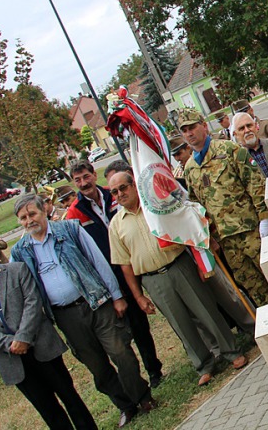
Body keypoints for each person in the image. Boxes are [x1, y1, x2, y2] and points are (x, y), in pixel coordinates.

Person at [13, 195, 154, 427]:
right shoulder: (20, 252)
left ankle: (142, 396)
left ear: (43, 212)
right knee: (97, 366)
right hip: (64, 316)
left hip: (97, 303)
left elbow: (98, 261)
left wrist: (117, 296)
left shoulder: (70, 229)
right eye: (23, 218)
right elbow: (13, 282)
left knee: (121, 353)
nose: (29, 221)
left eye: (33, 214)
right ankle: (125, 406)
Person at [107, 172, 247, 388]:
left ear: (134, 185)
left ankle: (231, 351)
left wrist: (201, 263)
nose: (120, 194)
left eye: (123, 188)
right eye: (114, 192)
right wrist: (138, 296)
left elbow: (184, 226)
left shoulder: (156, 206)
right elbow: (125, 264)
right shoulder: (116, 225)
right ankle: (204, 364)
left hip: (179, 265)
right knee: (181, 323)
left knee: (206, 311)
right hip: (153, 280)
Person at [0, 239, 97, 429]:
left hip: (42, 348)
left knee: (69, 397)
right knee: (47, 409)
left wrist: (23, 338)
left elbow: (33, 302)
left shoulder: (17, 270)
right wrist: (10, 343)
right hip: (12, 359)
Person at [65, 160, 164, 389]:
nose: (83, 183)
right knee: (128, 328)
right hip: (109, 276)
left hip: (137, 262)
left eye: (86, 176)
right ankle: (144, 376)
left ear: (93, 174)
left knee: (144, 322)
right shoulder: (74, 213)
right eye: (77, 180)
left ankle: (154, 368)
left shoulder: (115, 194)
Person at [179, 108, 268, 306]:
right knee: (255, 289)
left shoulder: (229, 150)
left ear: (204, 126)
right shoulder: (189, 169)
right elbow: (197, 207)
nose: (189, 133)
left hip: (252, 231)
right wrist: (209, 237)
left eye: (193, 127)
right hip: (227, 242)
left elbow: (256, 185)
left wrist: (265, 220)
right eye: (185, 130)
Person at [232, 112, 268, 177]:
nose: (247, 130)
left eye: (249, 125)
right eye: (242, 128)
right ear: (235, 134)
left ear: (256, 126)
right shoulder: (237, 160)